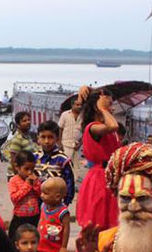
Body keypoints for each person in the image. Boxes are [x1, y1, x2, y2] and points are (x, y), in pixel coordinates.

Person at [75, 87, 121, 230]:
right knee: (98, 222)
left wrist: (90, 89)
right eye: (109, 104)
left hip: (111, 175)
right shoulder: (93, 127)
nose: (111, 108)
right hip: (100, 178)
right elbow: (113, 125)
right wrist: (103, 108)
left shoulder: (104, 128)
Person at [38, 177, 70, 252]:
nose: (42, 195)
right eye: (42, 192)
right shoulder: (43, 206)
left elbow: (66, 229)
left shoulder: (63, 212)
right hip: (43, 248)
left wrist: (63, 247)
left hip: (56, 251)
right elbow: (40, 222)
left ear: (57, 197)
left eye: (45, 193)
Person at [34, 120, 75, 206]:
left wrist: (66, 202)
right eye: (43, 137)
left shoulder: (63, 160)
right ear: (38, 138)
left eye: (50, 137)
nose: (46, 141)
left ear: (57, 138)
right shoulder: (34, 157)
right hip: (35, 202)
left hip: (55, 204)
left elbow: (69, 182)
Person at [8, 150, 42, 240]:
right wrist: (27, 185)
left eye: (32, 169)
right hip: (20, 218)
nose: (30, 173)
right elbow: (14, 198)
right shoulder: (14, 181)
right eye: (26, 169)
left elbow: (41, 195)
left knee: (33, 238)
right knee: (16, 239)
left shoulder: (35, 180)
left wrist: (36, 185)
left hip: (34, 217)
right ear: (17, 167)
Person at [6, 111, 36, 180]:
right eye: (24, 121)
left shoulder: (27, 136)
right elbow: (13, 159)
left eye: (28, 120)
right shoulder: (17, 138)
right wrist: (18, 177)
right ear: (18, 124)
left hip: (25, 172)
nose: (28, 122)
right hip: (16, 174)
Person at [58, 98, 83, 174]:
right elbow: (60, 128)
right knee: (65, 164)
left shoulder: (83, 116)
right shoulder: (65, 114)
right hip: (66, 144)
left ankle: (74, 183)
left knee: (77, 167)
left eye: (81, 105)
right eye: (77, 105)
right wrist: (59, 143)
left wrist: (80, 143)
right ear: (72, 105)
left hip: (77, 146)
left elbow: (85, 131)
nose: (79, 107)